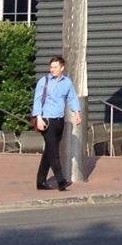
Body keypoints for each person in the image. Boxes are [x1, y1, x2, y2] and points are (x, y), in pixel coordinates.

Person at [31, 55, 80, 192]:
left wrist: (76, 112)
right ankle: (61, 180)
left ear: (62, 68)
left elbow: (72, 97)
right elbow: (37, 100)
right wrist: (38, 117)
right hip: (47, 121)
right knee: (54, 153)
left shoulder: (67, 82)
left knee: (49, 151)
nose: (52, 69)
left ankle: (40, 181)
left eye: (55, 67)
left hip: (59, 120)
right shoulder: (44, 81)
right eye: (51, 67)